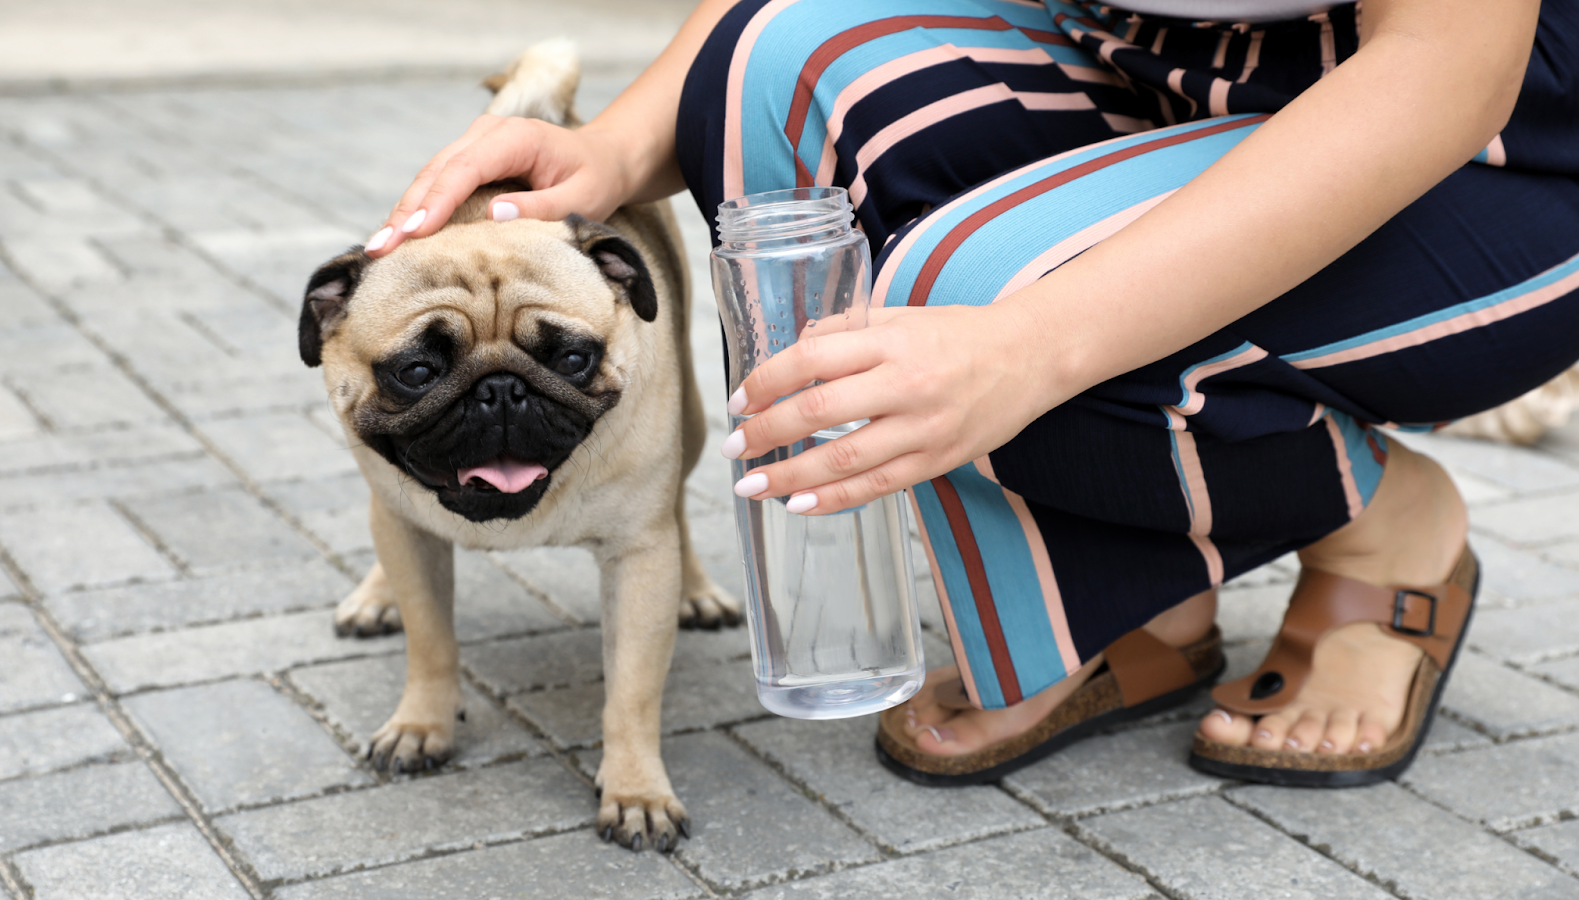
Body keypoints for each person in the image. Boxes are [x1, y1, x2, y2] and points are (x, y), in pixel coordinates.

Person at [364, 0, 1579, 786]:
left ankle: (1381, 520)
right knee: (778, 69)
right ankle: (1090, 599)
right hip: (1144, 54)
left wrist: (1029, 344)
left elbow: (1441, 71)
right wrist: (615, 148)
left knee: (967, 293)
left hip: (1493, 133)